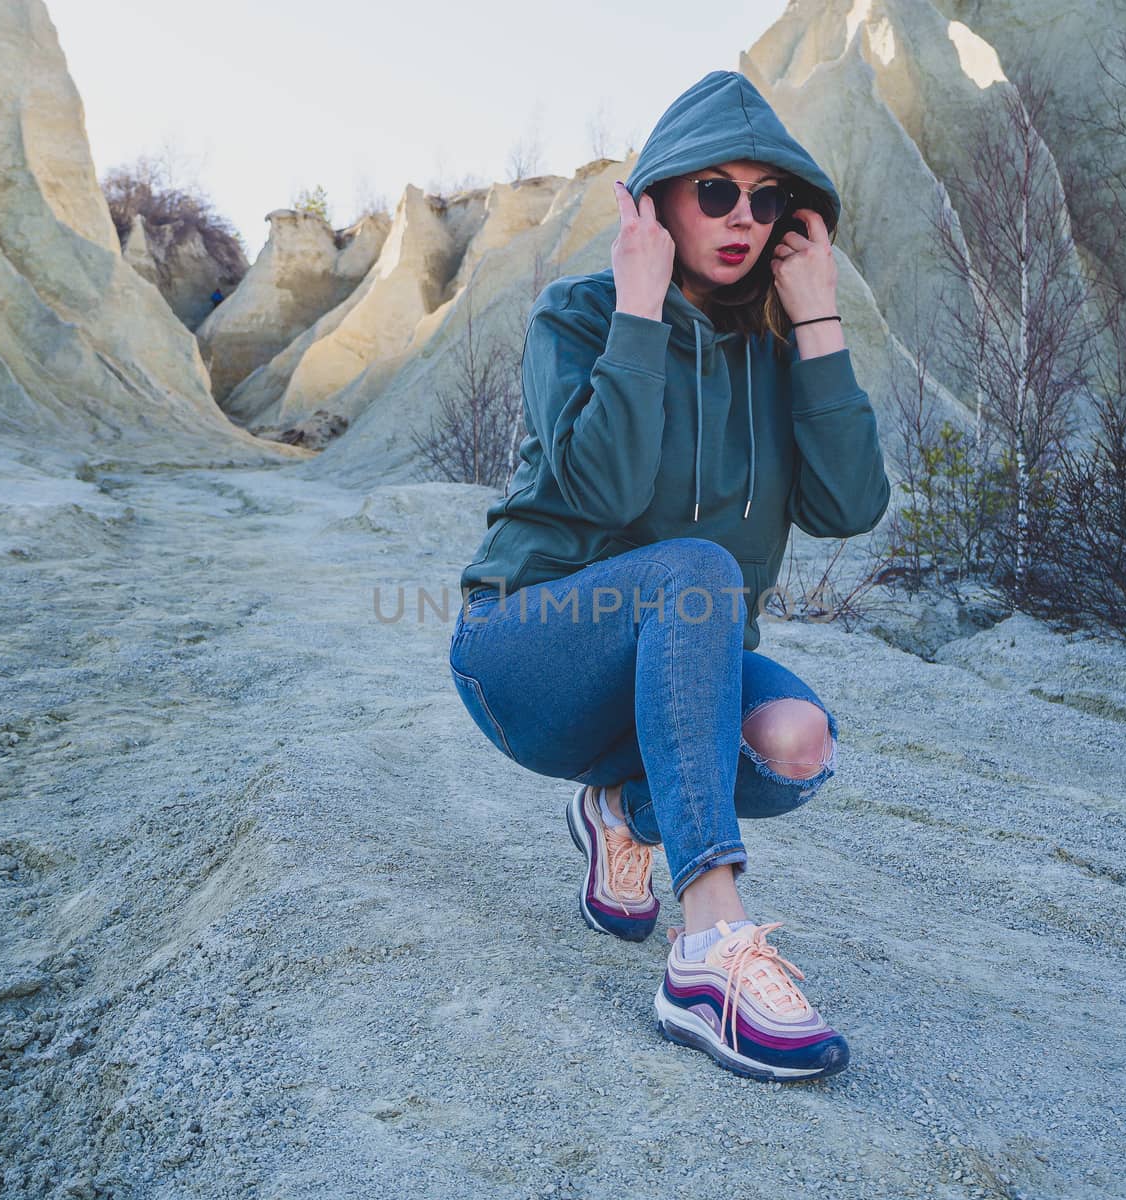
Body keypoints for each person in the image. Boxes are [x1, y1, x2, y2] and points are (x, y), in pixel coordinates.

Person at [448, 70, 890, 1082]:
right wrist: (639, 306)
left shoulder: (775, 350)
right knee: (694, 573)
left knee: (793, 744)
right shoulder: (579, 315)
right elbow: (599, 491)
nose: (744, 216)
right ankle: (707, 950)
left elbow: (846, 507)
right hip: (525, 653)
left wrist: (817, 322)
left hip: (672, 674)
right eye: (716, 192)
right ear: (659, 199)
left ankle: (620, 816)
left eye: (766, 199)